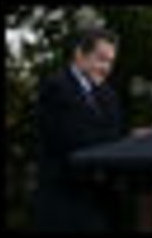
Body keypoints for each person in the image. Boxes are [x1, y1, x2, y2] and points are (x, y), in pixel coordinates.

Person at [35, 28, 124, 231]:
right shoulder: (56, 87)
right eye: (101, 59)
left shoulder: (110, 96)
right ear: (79, 55)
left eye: (111, 62)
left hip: (100, 205)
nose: (106, 68)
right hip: (64, 205)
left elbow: (114, 135)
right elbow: (72, 138)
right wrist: (122, 141)